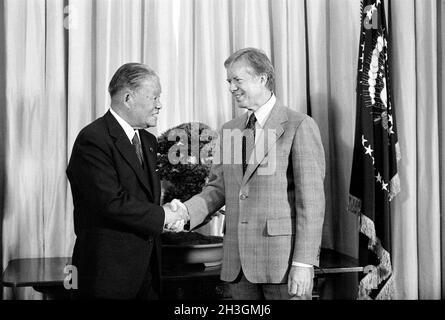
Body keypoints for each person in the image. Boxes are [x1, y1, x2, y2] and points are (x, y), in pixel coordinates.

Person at [168, 48, 325, 300]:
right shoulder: (230, 130)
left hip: (282, 267)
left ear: (262, 78)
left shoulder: (299, 125)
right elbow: (218, 189)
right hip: (236, 267)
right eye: (228, 81)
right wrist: (184, 212)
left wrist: (304, 263)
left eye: (236, 80)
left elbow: (312, 204)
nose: (231, 88)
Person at [66, 63, 186, 299]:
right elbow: (110, 202)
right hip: (107, 277)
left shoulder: (148, 141)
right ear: (128, 98)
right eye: (154, 97)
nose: (159, 104)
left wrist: (169, 212)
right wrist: (164, 216)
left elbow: (143, 199)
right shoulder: (93, 139)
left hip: (147, 274)